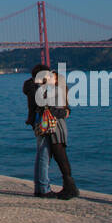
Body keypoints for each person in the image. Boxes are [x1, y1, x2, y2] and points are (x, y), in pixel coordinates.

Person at [30, 64, 80, 200]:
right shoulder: (43, 88)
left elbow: (57, 107)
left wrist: (65, 111)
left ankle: (63, 187)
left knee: (55, 156)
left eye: (53, 76)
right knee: (49, 156)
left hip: (55, 127)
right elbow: (51, 107)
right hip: (49, 126)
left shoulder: (55, 89)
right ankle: (47, 188)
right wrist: (64, 112)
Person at [22, 63, 56, 197]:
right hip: (43, 121)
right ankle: (44, 188)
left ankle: (39, 186)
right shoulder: (39, 88)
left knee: (41, 154)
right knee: (44, 154)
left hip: (36, 120)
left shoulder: (31, 86)